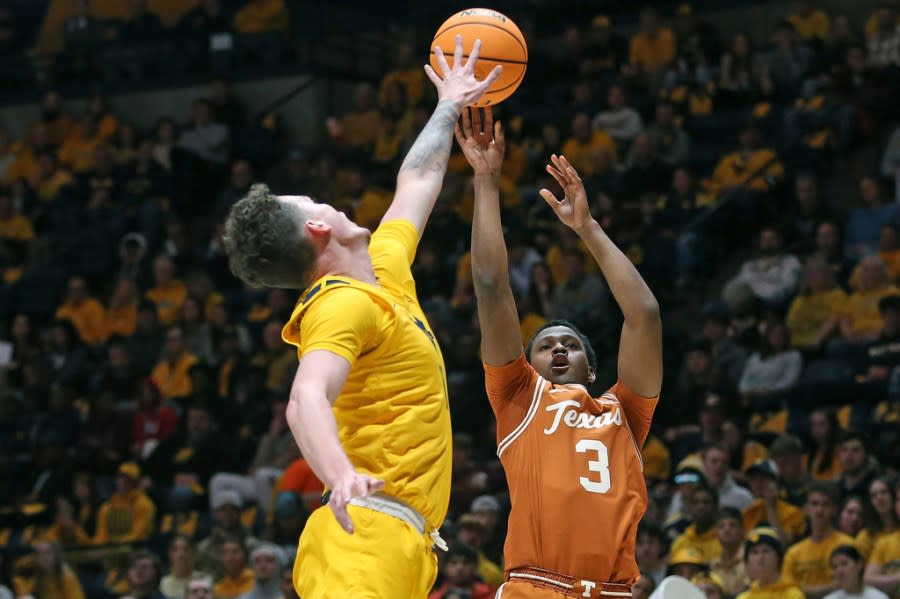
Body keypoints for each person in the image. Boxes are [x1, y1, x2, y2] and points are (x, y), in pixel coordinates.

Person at [221, 36, 501, 599]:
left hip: (398, 539)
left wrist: (448, 105)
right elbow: (305, 398)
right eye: (313, 202)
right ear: (318, 230)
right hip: (364, 535)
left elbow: (418, 181)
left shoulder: (380, 269)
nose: (325, 201)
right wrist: (340, 476)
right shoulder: (339, 303)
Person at [456, 107, 661, 596]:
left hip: (612, 590)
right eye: (546, 347)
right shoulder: (519, 396)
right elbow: (489, 282)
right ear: (531, 365)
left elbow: (645, 315)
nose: (559, 350)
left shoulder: (625, 413)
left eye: (570, 344)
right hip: (536, 587)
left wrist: (587, 229)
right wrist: (486, 181)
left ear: (592, 368)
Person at [781, 482, 856, 599]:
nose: (819, 509)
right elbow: (788, 590)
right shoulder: (793, 552)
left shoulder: (847, 544)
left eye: (825, 504)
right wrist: (829, 588)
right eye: (814, 504)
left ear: (834, 509)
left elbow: (847, 584)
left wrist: (804, 590)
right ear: (805, 509)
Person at [737, 527, 804, 599]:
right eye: (755, 552)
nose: (760, 557)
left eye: (766, 551)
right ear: (747, 563)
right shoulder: (743, 597)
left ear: (778, 558)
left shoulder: (793, 595)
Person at [826, 544, 890, 599]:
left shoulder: (878, 597)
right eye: (835, 567)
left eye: (844, 564)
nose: (839, 571)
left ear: (859, 564)